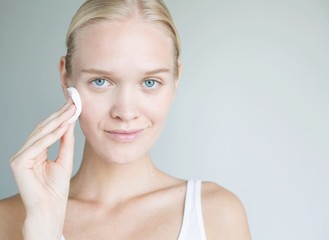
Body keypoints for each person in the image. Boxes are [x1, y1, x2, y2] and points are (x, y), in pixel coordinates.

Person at [0, 0, 251, 239]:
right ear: (66, 78)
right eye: (101, 81)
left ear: (176, 79)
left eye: (150, 82)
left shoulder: (216, 214)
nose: (126, 112)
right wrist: (43, 227)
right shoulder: (8, 220)